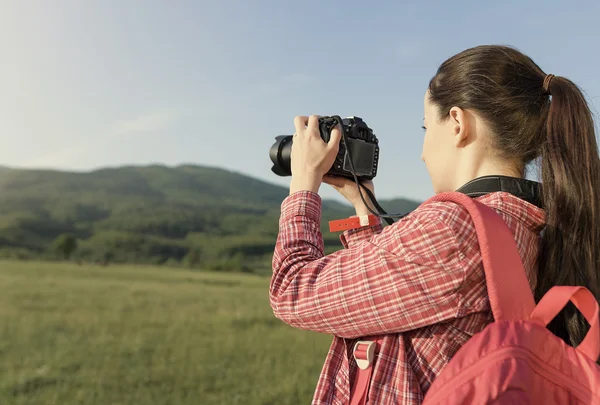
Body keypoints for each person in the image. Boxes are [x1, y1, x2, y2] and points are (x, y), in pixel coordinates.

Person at [269, 44, 600, 405]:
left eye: (427, 127)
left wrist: (303, 185)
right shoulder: (522, 223)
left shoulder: (453, 229)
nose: (423, 151)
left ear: (458, 124)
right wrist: (363, 204)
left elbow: (293, 291)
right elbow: (394, 305)